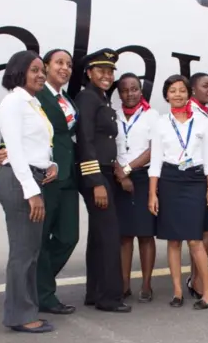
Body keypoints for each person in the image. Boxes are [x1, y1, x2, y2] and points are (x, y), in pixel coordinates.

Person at [0, 48, 79, 315]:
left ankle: (36, 286)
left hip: (59, 172)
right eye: (57, 63)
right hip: (38, 180)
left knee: (66, 237)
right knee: (32, 244)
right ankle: (37, 298)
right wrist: (3, 148)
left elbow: (46, 136)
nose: (64, 68)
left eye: (68, 64)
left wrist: (54, 162)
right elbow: (15, 134)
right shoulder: (28, 97)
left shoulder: (66, 99)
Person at [0, 50, 58, 333]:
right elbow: (16, 151)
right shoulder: (13, 102)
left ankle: (26, 309)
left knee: (30, 250)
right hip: (20, 181)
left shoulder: (32, 103)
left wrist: (51, 163)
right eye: (34, 70)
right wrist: (31, 191)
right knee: (23, 252)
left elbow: (34, 145)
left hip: (32, 177)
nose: (41, 74)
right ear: (19, 72)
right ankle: (20, 315)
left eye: (42, 70)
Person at [148, 74, 208, 310]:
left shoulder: (201, 122)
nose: (177, 94)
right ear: (166, 95)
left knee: (195, 240)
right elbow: (155, 162)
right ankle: (177, 291)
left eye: (182, 90)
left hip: (195, 181)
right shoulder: (160, 123)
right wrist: (152, 194)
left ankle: (207, 291)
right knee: (173, 240)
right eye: (173, 90)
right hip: (169, 181)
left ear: (189, 94)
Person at [76, 48, 131, 312]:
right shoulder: (88, 98)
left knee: (99, 236)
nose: (107, 76)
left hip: (106, 172)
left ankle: (94, 292)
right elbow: (85, 140)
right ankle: (109, 297)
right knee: (109, 235)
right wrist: (96, 181)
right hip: (96, 174)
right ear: (89, 73)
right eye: (101, 71)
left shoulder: (101, 99)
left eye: (110, 72)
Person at [114, 72, 159, 303]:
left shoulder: (152, 116)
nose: (129, 93)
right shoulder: (113, 116)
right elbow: (108, 147)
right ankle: (123, 284)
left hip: (142, 177)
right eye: (124, 90)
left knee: (144, 234)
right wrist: (120, 174)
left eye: (134, 89)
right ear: (119, 93)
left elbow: (153, 149)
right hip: (118, 177)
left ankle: (147, 283)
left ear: (141, 91)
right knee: (124, 236)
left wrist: (128, 170)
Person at [185, 73, 208, 299]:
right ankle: (198, 279)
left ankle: (195, 277)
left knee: (207, 230)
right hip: (202, 174)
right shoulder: (191, 113)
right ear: (192, 89)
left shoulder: (204, 113)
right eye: (205, 86)